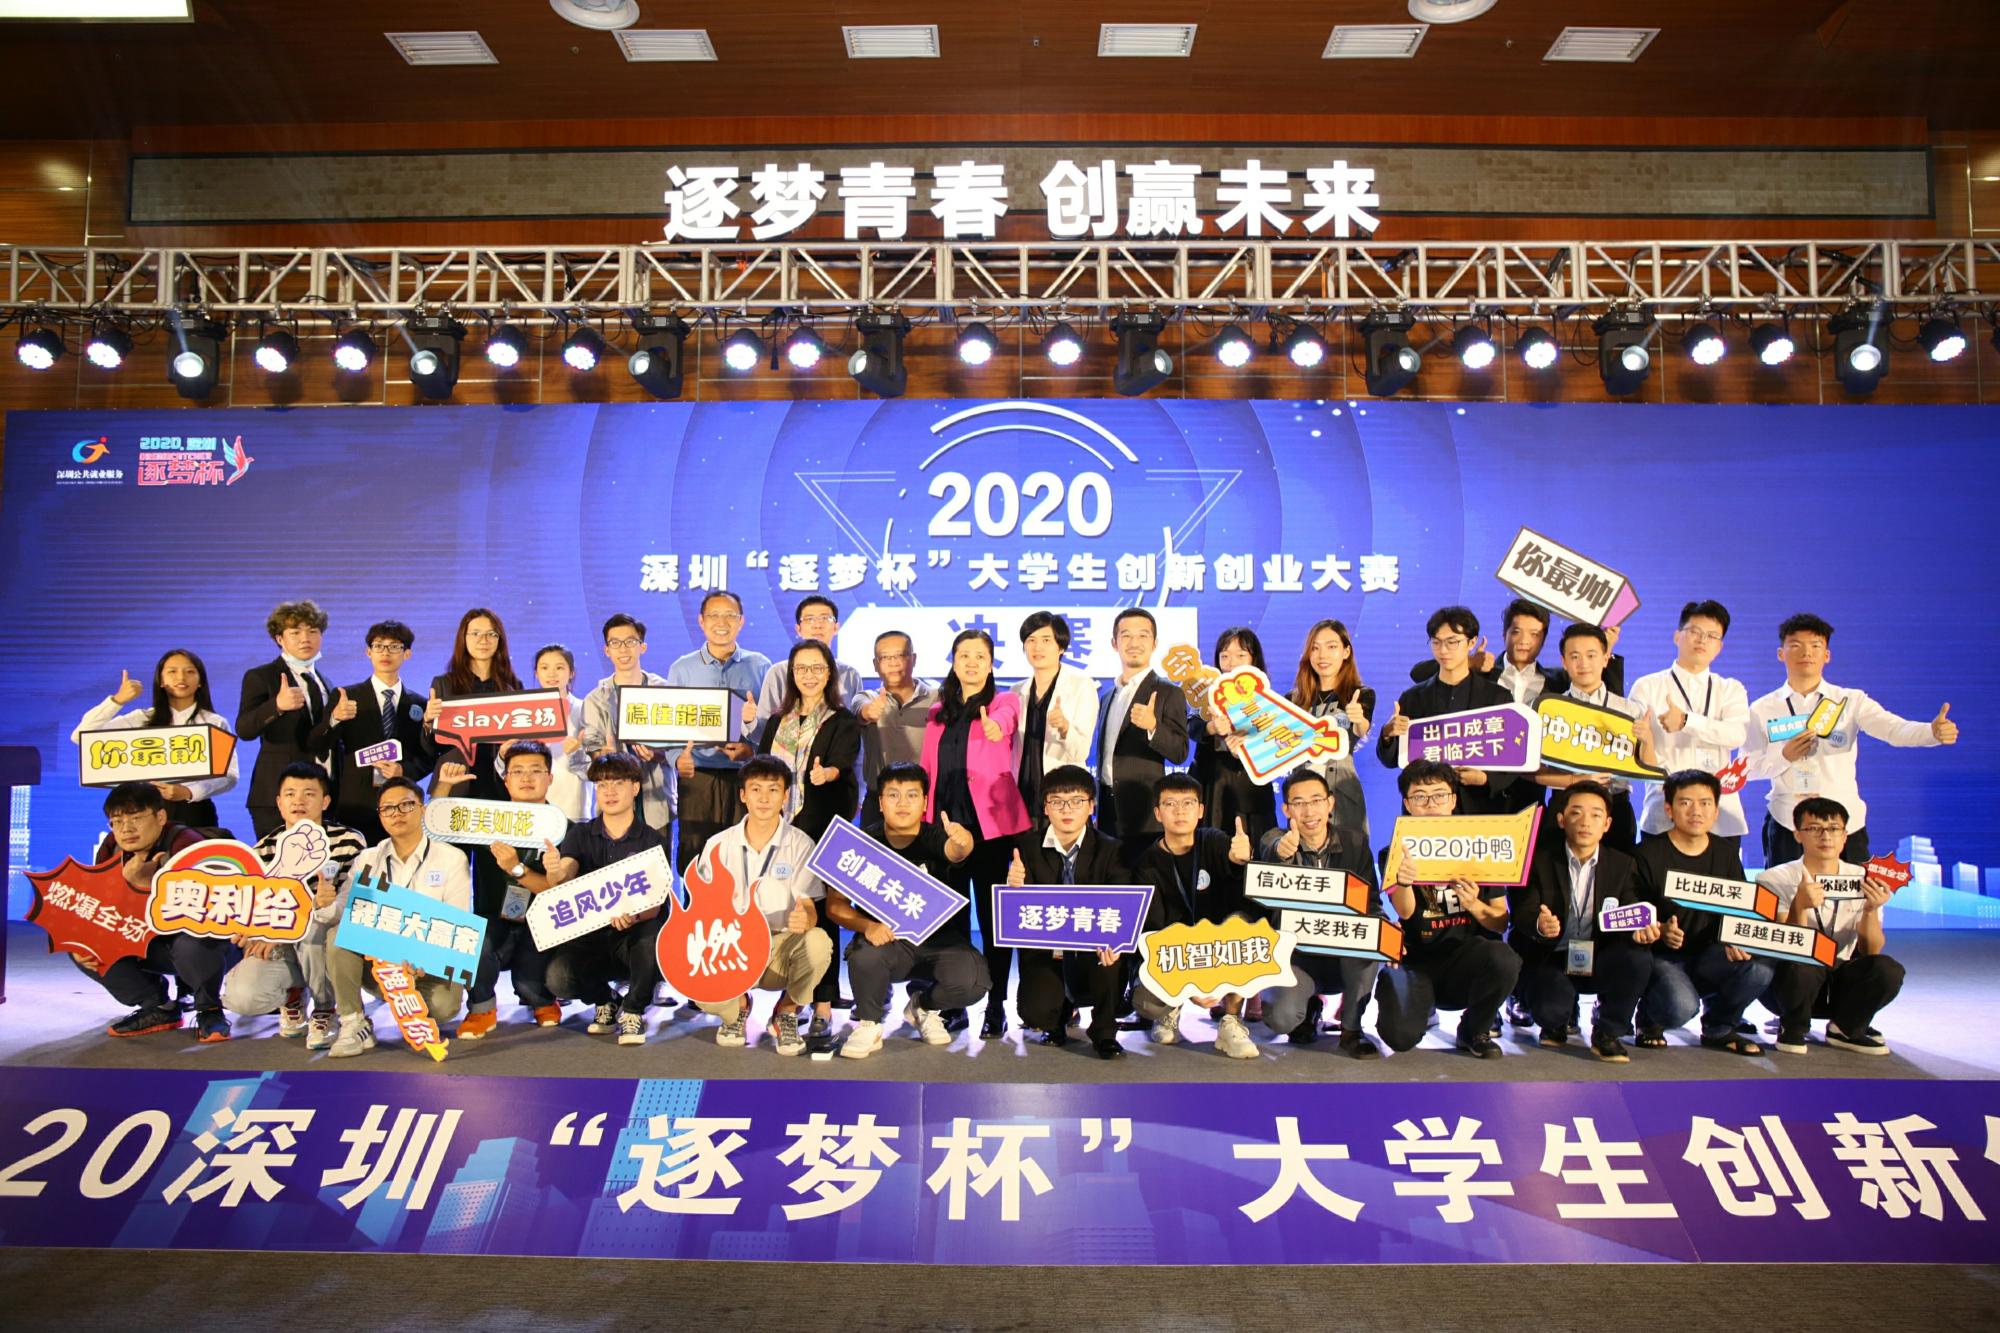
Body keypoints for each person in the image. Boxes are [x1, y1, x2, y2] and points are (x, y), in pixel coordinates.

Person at [1744, 613, 1957, 866]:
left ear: (1827, 655)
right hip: (1787, 822)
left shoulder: (1850, 701)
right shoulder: (1762, 709)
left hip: (1844, 823)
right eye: (1796, 645)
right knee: (1786, 892)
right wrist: (1783, 757)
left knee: (1852, 891)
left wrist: (1931, 732)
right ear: (1781, 653)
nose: (1806, 653)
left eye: (1815, 646)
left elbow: (1893, 729)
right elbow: (1747, 768)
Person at [831, 763, 989, 1058]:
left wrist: (964, 843)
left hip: (938, 945)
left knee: (974, 981)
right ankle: (869, 1025)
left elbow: (956, 852)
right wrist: (867, 926)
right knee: (864, 956)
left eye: (912, 795)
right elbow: (835, 905)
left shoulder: (936, 837)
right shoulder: (861, 843)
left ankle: (923, 1007)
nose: (902, 803)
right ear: (880, 803)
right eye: (893, 795)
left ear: (925, 802)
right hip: (886, 944)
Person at [921, 628, 1031, 1038]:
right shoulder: (938, 711)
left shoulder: (1004, 702)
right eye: (964, 655)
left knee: (993, 922)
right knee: (950, 921)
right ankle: (956, 1002)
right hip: (945, 831)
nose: (971, 662)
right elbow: (928, 768)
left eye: (980, 656)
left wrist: (995, 728)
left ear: (990, 663)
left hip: (990, 830)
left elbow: (1004, 723)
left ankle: (997, 1004)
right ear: (953, 662)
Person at [1374, 762, 1519, 1058]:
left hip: (1465, 961)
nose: (1431, 804)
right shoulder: (1394, 852)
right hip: (1416, 961)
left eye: (1439, 795)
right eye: (1420, 797)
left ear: (1453, 800)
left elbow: (1500, 922)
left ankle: (1474, 1029)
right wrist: (1404, 882)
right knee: (1399, 1037)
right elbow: (1405, 912)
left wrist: (1473, 904)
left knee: (1504, 958)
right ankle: (1420, 1007)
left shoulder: (1482, 847)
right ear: (1407, 804)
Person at [219, 761, 368, 1050]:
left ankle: (325, 1008)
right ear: (279, 802)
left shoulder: (349, 841)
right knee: (242, 997)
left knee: (314, 927)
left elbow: (350, 905)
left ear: (325, 802)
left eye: (309, 794)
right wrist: (251, 930)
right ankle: (293, 994)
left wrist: (302, 915)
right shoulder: (263, 850)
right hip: (281, 945)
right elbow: (253, 908)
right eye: (290, 794)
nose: (298, 801)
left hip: (326, 943)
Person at [756, 637, 861, 1046]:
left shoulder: (842, 720)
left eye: (817, 668)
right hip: (779, 834)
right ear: (791, 674)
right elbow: (762, 771)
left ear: (829, 673)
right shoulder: (776, 721)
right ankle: (789, 998)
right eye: (801, 668)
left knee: (822, 915)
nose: (809, 675)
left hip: (822, 833)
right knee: (783, 909)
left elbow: (842, 766)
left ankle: (823, 1007)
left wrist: (826, 774)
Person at [690, 756, 832, 1056]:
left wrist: (806, 918)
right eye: (756, 789)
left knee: (818, 942)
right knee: (697, 979)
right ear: (743, 795)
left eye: (773, 790)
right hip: (731, 945)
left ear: (786, 795)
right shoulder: (718, 845)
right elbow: (702, 907)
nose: (764, 798)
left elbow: (808, 905)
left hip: (779, 946)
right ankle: (738, 1007)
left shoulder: (801, 843)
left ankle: (787, 1012)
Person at [1511, 781, 1661, 1063]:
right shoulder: (1537, 861)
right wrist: (1539, 924)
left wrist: (1641, 930)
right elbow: (1522, 911)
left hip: (1599, 955)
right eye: (1576, 812)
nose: (1585, 822)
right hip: (1552, 955)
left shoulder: (1622, 864)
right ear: (1561, 819)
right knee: (1551, 1010)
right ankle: (1556, 1020)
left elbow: (1632, 908)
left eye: (1595, 815)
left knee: (1638, 959)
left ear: (1607, 824)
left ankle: (1608, 1032)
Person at [326, 777, 474, 1058]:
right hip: (381, 964)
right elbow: (346, 910)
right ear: (380, 815)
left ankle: (404, 1002)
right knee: (338, 935)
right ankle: (353, 1022)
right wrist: (324, 905)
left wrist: (422, 955)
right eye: (388, 808)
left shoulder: (451, 858)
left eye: (406, 805)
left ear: (423, 809)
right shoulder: (367, 859)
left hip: (429, 965)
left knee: (443, 1008)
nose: (397, 813)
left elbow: (457, 923)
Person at [1632, 769, 1771, 1055]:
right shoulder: (1647, 853)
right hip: (1662, 957)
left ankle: (1719, 1026)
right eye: (1685, 802)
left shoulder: (1725, 853)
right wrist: (1660, 929)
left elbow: (1740, 908)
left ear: (1716, 811)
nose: (1696, 811)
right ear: (1669, 809)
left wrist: (1735, 936)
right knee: (1681, 1007)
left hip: (1709, 954)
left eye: (1705, 803)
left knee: (1760, 968)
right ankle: (1649, 1018)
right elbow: (1631, 909)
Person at [78, 782, 231, 1041]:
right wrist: (87, 940)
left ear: (160, 817)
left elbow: (209, 911)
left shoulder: (187, 843)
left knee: (192, 941)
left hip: (207, 941)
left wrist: (150, 887)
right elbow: (102, 905)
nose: (126, 829)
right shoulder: (111, 848)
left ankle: (209, 1009)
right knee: (83, 945)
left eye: (136, 818)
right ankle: (158, 1006)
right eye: (117, 822)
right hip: (151, 939)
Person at [541, 753, 673, 1047]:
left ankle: (634, 1010)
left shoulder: (652, 839)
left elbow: (655, 903)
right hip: (593, 936)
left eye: (617, 783)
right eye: (602, 785)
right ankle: (606, 1001)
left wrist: (633, 916)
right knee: (558, 977)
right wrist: (555, 870)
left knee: (650, 939)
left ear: (635, 788)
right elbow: (565, 874)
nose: (609, 792)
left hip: (635, 935)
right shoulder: (580, 834)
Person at [1757, 796, 1906, 1055]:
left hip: (1841, 981)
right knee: (1800, 964)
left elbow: (1871, 950)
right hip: (1791, 982)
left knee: (1887, 970)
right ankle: (1792, 1027)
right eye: (1814, 828)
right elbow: (1784, 945)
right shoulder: (1773, 878)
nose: (1825, 836)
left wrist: (1870, 910)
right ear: (1797, 835)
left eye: (1833, 828)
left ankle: (1846, 1028)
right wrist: (1799, 906)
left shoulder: (1864, 879)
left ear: (1845, 836)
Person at [1003, 764, 1131, 1058]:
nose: (1066, 809)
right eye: (1057, 801)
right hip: (1048, 953)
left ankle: (1104, 1032)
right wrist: (1015, 889)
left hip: (1094, 951)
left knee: (1112, 957)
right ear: (1045, 807)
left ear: (1091, 806)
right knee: (1035, 1012)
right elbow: (1019, 919)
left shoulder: (1111, 850)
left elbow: (1122, 906)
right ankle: (1057, 1018)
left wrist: (1115, 942)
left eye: (1076, 801)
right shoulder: (1027, 848)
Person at [1255, 767, 1383, 1056]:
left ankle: (1352, 1030)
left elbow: (1371, 902)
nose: (1309, 811)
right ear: (1286, 809)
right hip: (1297, 957)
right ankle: (1309, 1006)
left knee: (1371, 943)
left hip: (1344, 954)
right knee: (1281, 1018)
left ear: (1330, 803)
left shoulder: (1355, 842)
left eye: (1316, 801)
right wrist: (1282, 852)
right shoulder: (1274, 838)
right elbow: (1272, 850)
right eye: (1299, 803)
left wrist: (1385, 933)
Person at [1131, 773, 1259, 1060]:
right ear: (1158, 813)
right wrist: (1188, 987)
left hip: (1219, 951)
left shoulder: (1214, 841)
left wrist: (1241, 860)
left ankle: (1231, 1020)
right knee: (1145, 1000)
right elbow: (1153, 934)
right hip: (1176, 956)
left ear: (1200, 810)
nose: (1180, 811)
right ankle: (1171, 1008)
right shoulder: (1146, 864)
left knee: (1248, 927)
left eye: (1188, 803)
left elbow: (1236, 874)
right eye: (1170, 804)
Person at [457, 741, 565, 1039]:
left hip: (541, 925)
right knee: (475, 939)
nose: (526, 778)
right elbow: (438, 837)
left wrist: (517, 869)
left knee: (531, 985)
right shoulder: (484, 821)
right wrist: (443, 791)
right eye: (517, 771)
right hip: (493, 920)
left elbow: (559, 892)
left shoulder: (563, 827)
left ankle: (541, 997)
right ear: (506, 780)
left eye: (535, 770)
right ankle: (481, 1008)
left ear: (550, 777)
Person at [1377, 606, 1529, 816]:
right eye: (1436, 642)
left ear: (1471, 642)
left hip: (1478, 808)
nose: (1443, 650)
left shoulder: (1497, 698)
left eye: (1452, 642)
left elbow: (1513, 755)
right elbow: (1392, 759)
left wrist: (1486, 778)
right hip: (1426, 811)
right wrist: (1387, 735)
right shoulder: (1413, 698)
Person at [1627, 601, 1751, 849]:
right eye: (1695, 631)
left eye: (1712, 636)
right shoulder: (1648, 686)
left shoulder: (1730, 688)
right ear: (1677, 636)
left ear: (1719, 647)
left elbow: (1736, 735)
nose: (1702, 640)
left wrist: (1686, 721)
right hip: (1664, 811)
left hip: (1720, 816)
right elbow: (1634, 744)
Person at [72, 647, 239, 829]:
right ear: (161, 680)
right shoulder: (141, 719)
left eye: (190, 671)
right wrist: (117, 700)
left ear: (200, 681)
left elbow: (229, 775)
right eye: (172, 671)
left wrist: (189, 791)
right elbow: (80, 736)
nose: (181, 677)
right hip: (143, 812)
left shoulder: (214, 722)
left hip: (194, 810)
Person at [666, 591, 770, 874]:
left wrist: (753, 751)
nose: (721, 622)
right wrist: (677, 758)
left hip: (746, 777)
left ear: (741, 621)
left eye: (730, 615)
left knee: (745, 856)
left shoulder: (760, 666)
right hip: (698, 777)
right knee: (696, 857)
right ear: (701, 621)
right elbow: (669, 726)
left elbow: (772, 726)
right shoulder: (682, 669)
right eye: (714, 615)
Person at [1534, 623, 1660, 852]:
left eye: (1591, 655)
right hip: (1565, 807)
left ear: (1605, 658)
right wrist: (1575, 780)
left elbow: (1649, 768)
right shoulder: (1550, 710)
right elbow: (1536, 773)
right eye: (1575, 656)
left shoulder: (1628, 710)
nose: (1583, 664)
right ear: (1564, 661)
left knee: (1617, 872)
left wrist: (1647, 740)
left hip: (1615, 808)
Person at [307, 619, 434, 843]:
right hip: (355, 802)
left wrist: (404, 770)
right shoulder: (346, 696)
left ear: (407, 654)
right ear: (368, 652)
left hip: (401, 804)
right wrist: (335, 719)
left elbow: (429, 756)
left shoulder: (420, 704)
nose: (385, 652)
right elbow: (317, 744)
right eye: (378, 646)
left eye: (394, 646)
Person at [1408, 597, 1627, 706]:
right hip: (1484, 775)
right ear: (1504, 634)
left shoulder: (1560, 681)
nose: (1524, 641)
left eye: (1534, 634)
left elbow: (1607, 699)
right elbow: (1419, 674)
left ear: (1544, 639)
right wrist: (1470, 663)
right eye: (1516, 632)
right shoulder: (1481, 670)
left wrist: (1606, 646)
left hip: (1538, 778)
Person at [1095, 608, 1191, 855]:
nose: (1134, 643)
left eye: (1143, 636)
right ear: (1114, 643)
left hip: (1145, 814)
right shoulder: (1107, 696)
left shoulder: (1168, 692)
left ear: (1154, 643)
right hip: (1106, 812)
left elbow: (1180, 752)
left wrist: (1153, 727)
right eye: (1126, 636)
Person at [237, 599, 336, 837]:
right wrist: (277, 706)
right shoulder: (261, 676)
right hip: (277, 796)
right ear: (280, 638)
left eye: (313, 631)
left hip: (319, 797)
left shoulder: (326, 682)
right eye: (295, 632)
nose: (305, 639)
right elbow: (244, 728)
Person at [577, 614, 673, 837]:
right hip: (613, 803)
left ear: (642, 647)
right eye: (615, 643)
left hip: (656, 800)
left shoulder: (665, 692)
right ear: (606, 650)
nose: (623, 649)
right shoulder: (595, 699)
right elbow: (592, 750)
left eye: (630, 641)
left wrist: (657, 754)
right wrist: (604, 756)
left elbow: (678, 748)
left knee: (657, 858)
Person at [1285, 619, 1375, 843]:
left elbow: (1361, 730)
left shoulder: (1360, 694)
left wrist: (1358, 719)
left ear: (1346, 651)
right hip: (1303, 797)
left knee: (1350, 853)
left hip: (1343, 792)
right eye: (1315, 648)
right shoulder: (1293, 700)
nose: (1322, 655)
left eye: (1331, 646)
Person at [424, 607, 524, 805]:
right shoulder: (444, 684)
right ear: (464, 638)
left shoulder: (513, 687)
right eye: (475, 633)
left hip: (501, 786)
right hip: (454, 782)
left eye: (491, 634)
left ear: (500, 640)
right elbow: (430, 749)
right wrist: (428, 722)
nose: (483, 640)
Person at [1192, 626, 1278, 845]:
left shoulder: (1268, 699)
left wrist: (1250, 747)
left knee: (1254, 850)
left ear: (1254, 659)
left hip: (1251, 791)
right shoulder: (1207, 693)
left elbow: (1277, 745)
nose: (1232, 663)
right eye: (1225, 656)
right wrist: (1211, 727)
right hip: (1213, 785)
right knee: (1212, 849)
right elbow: (1191, 725)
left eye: (1241, 655)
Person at [1010, 611, 1099, 813]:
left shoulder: (1081, 685)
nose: (1037, 647)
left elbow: (1080, 752)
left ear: (1061, 647)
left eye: (1046, 640)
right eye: (1031, 640)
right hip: (1024, 794)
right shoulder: (1016, 691)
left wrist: (1065, 728)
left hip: (1064, 795)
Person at [851, 630, 937, 823]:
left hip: (926, 799)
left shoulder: (938, 698)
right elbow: (861, 712)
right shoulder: (867, 697)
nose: (893, 663)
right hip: (878, 801)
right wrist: (870, 712)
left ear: (913, 659)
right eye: (885, 657)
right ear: (875, 664)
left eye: (900, 655)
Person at [756, 596, 862, 722]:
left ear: (836, 627)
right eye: (809, 619)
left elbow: (856, 724)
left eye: (825, 618)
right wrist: (749, 721)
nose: (817, 625)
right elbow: (765, 725)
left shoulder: (850, 674)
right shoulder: (778, 673)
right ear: (798, 629)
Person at [530, 643, 593, 825]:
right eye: (544, 668)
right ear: (536, 673)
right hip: (533, 808)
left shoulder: (584, 710)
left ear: (571, 672)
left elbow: (594, 772)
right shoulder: (524, 713)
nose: (551, 674)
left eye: (559, 668)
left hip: (573, 808)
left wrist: (576, 753)